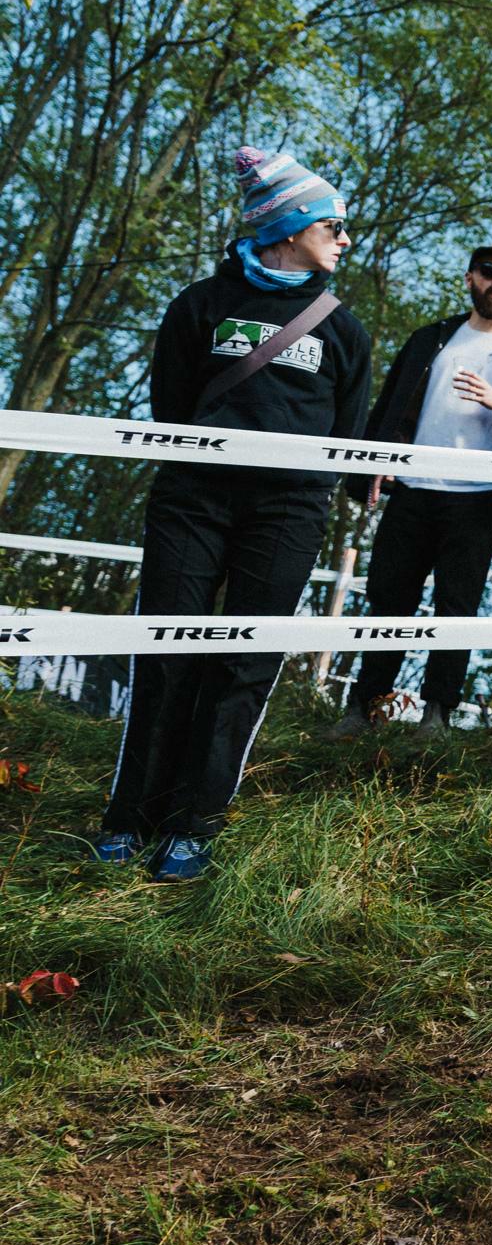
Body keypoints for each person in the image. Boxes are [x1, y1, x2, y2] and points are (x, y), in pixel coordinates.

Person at [91, 148, 370, 882]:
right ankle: (128, 819)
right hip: (192, 501)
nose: (344, 239)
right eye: (334, 225)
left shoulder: (343, 329)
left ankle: (194, 824)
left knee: (244, 665)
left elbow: (349, 433)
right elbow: (170, 410)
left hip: (288, 511)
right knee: (165, 654)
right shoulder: (199, 305)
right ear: (291, 224)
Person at [328, 243, 492, 739]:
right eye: (489, 272)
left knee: (456, 607)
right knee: (387, 598)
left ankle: (437, 715)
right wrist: (374, 463)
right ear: (470, 279)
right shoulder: (431, 339)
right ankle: (363, 708)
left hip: (481, 497)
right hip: (413, 487)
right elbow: (391, 407)